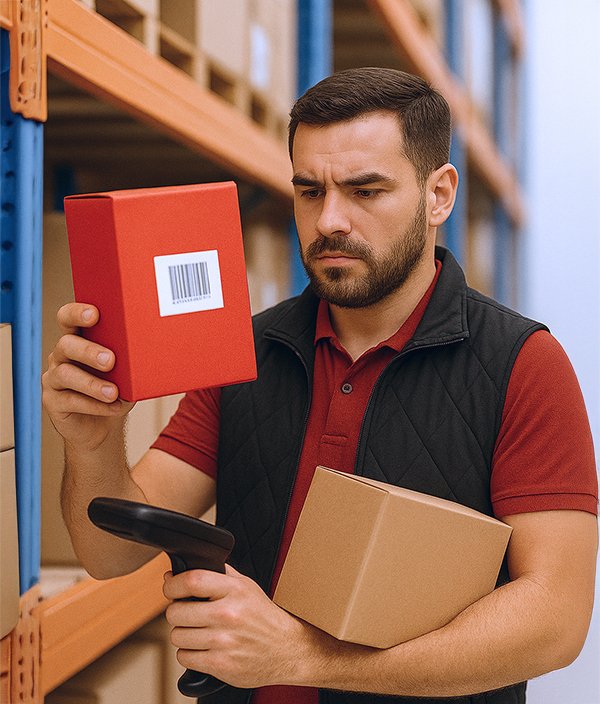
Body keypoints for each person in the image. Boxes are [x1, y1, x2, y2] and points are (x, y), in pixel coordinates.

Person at [42, 68, 598, 704]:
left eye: (365, 191)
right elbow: (110, 556)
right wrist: (93, 444)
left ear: (438, 194)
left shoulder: (521, 364)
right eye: (310, 192)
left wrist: (305, 658)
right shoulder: (246, 351)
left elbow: (554, 620)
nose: (330, 220)